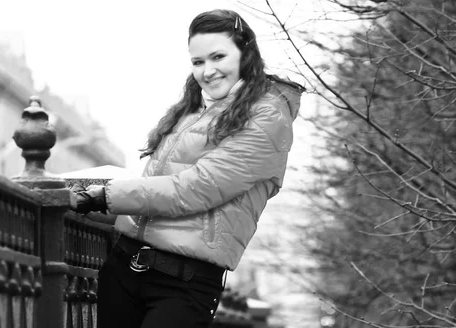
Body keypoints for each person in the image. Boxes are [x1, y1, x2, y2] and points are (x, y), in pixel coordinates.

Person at [71, 8, 304, 328]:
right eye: (198, 61)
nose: (207, 71)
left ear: (246, 53)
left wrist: (104, 195)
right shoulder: (194, 109)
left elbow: (196, 188)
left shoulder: (268, 118)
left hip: (183, 285)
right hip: (124, 267)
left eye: (218, 57)